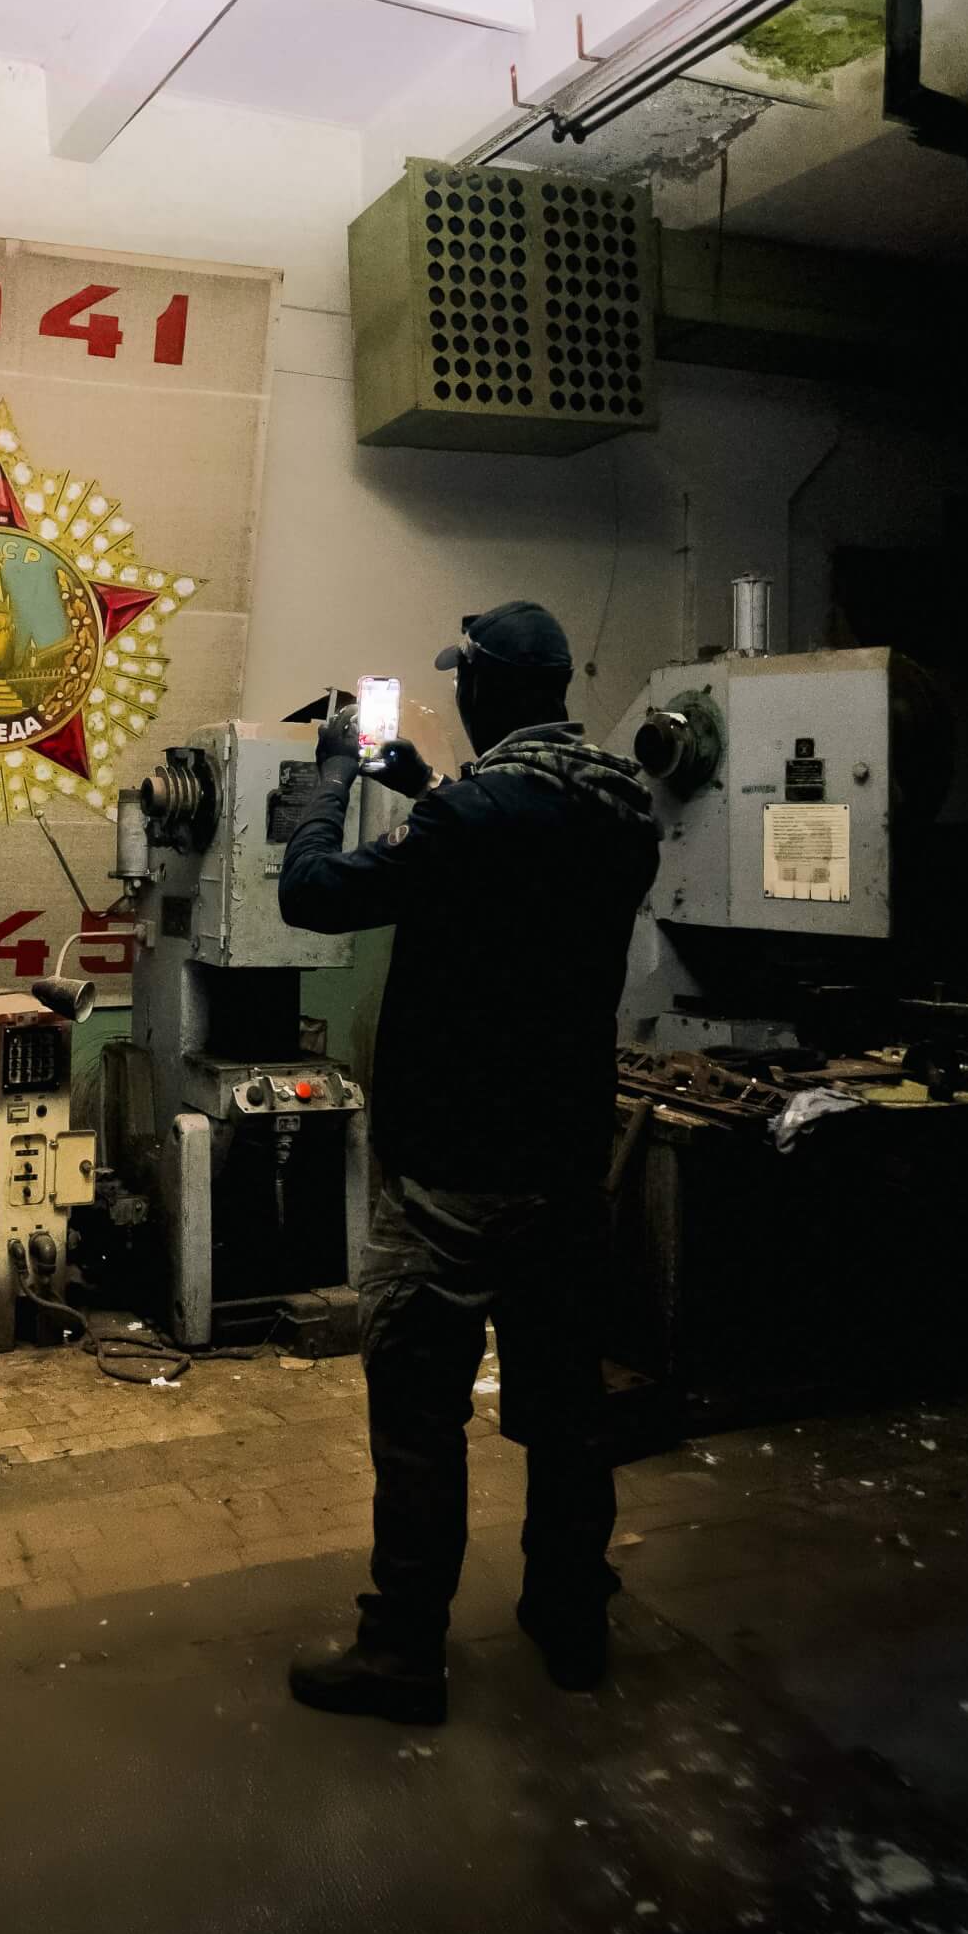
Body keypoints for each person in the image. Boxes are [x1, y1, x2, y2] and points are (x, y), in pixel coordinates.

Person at [276, 601, 659, 1720]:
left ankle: (402, 1651)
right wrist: (419, 787)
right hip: (562, 1165)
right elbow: (505, 854)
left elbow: (312, 894)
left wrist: (323, 786)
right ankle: (569, 1614)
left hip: (449, 1170)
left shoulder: (474, 817)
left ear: (485, 692)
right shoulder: (617, 807)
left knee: (417, 1416)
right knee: (561, 1409)